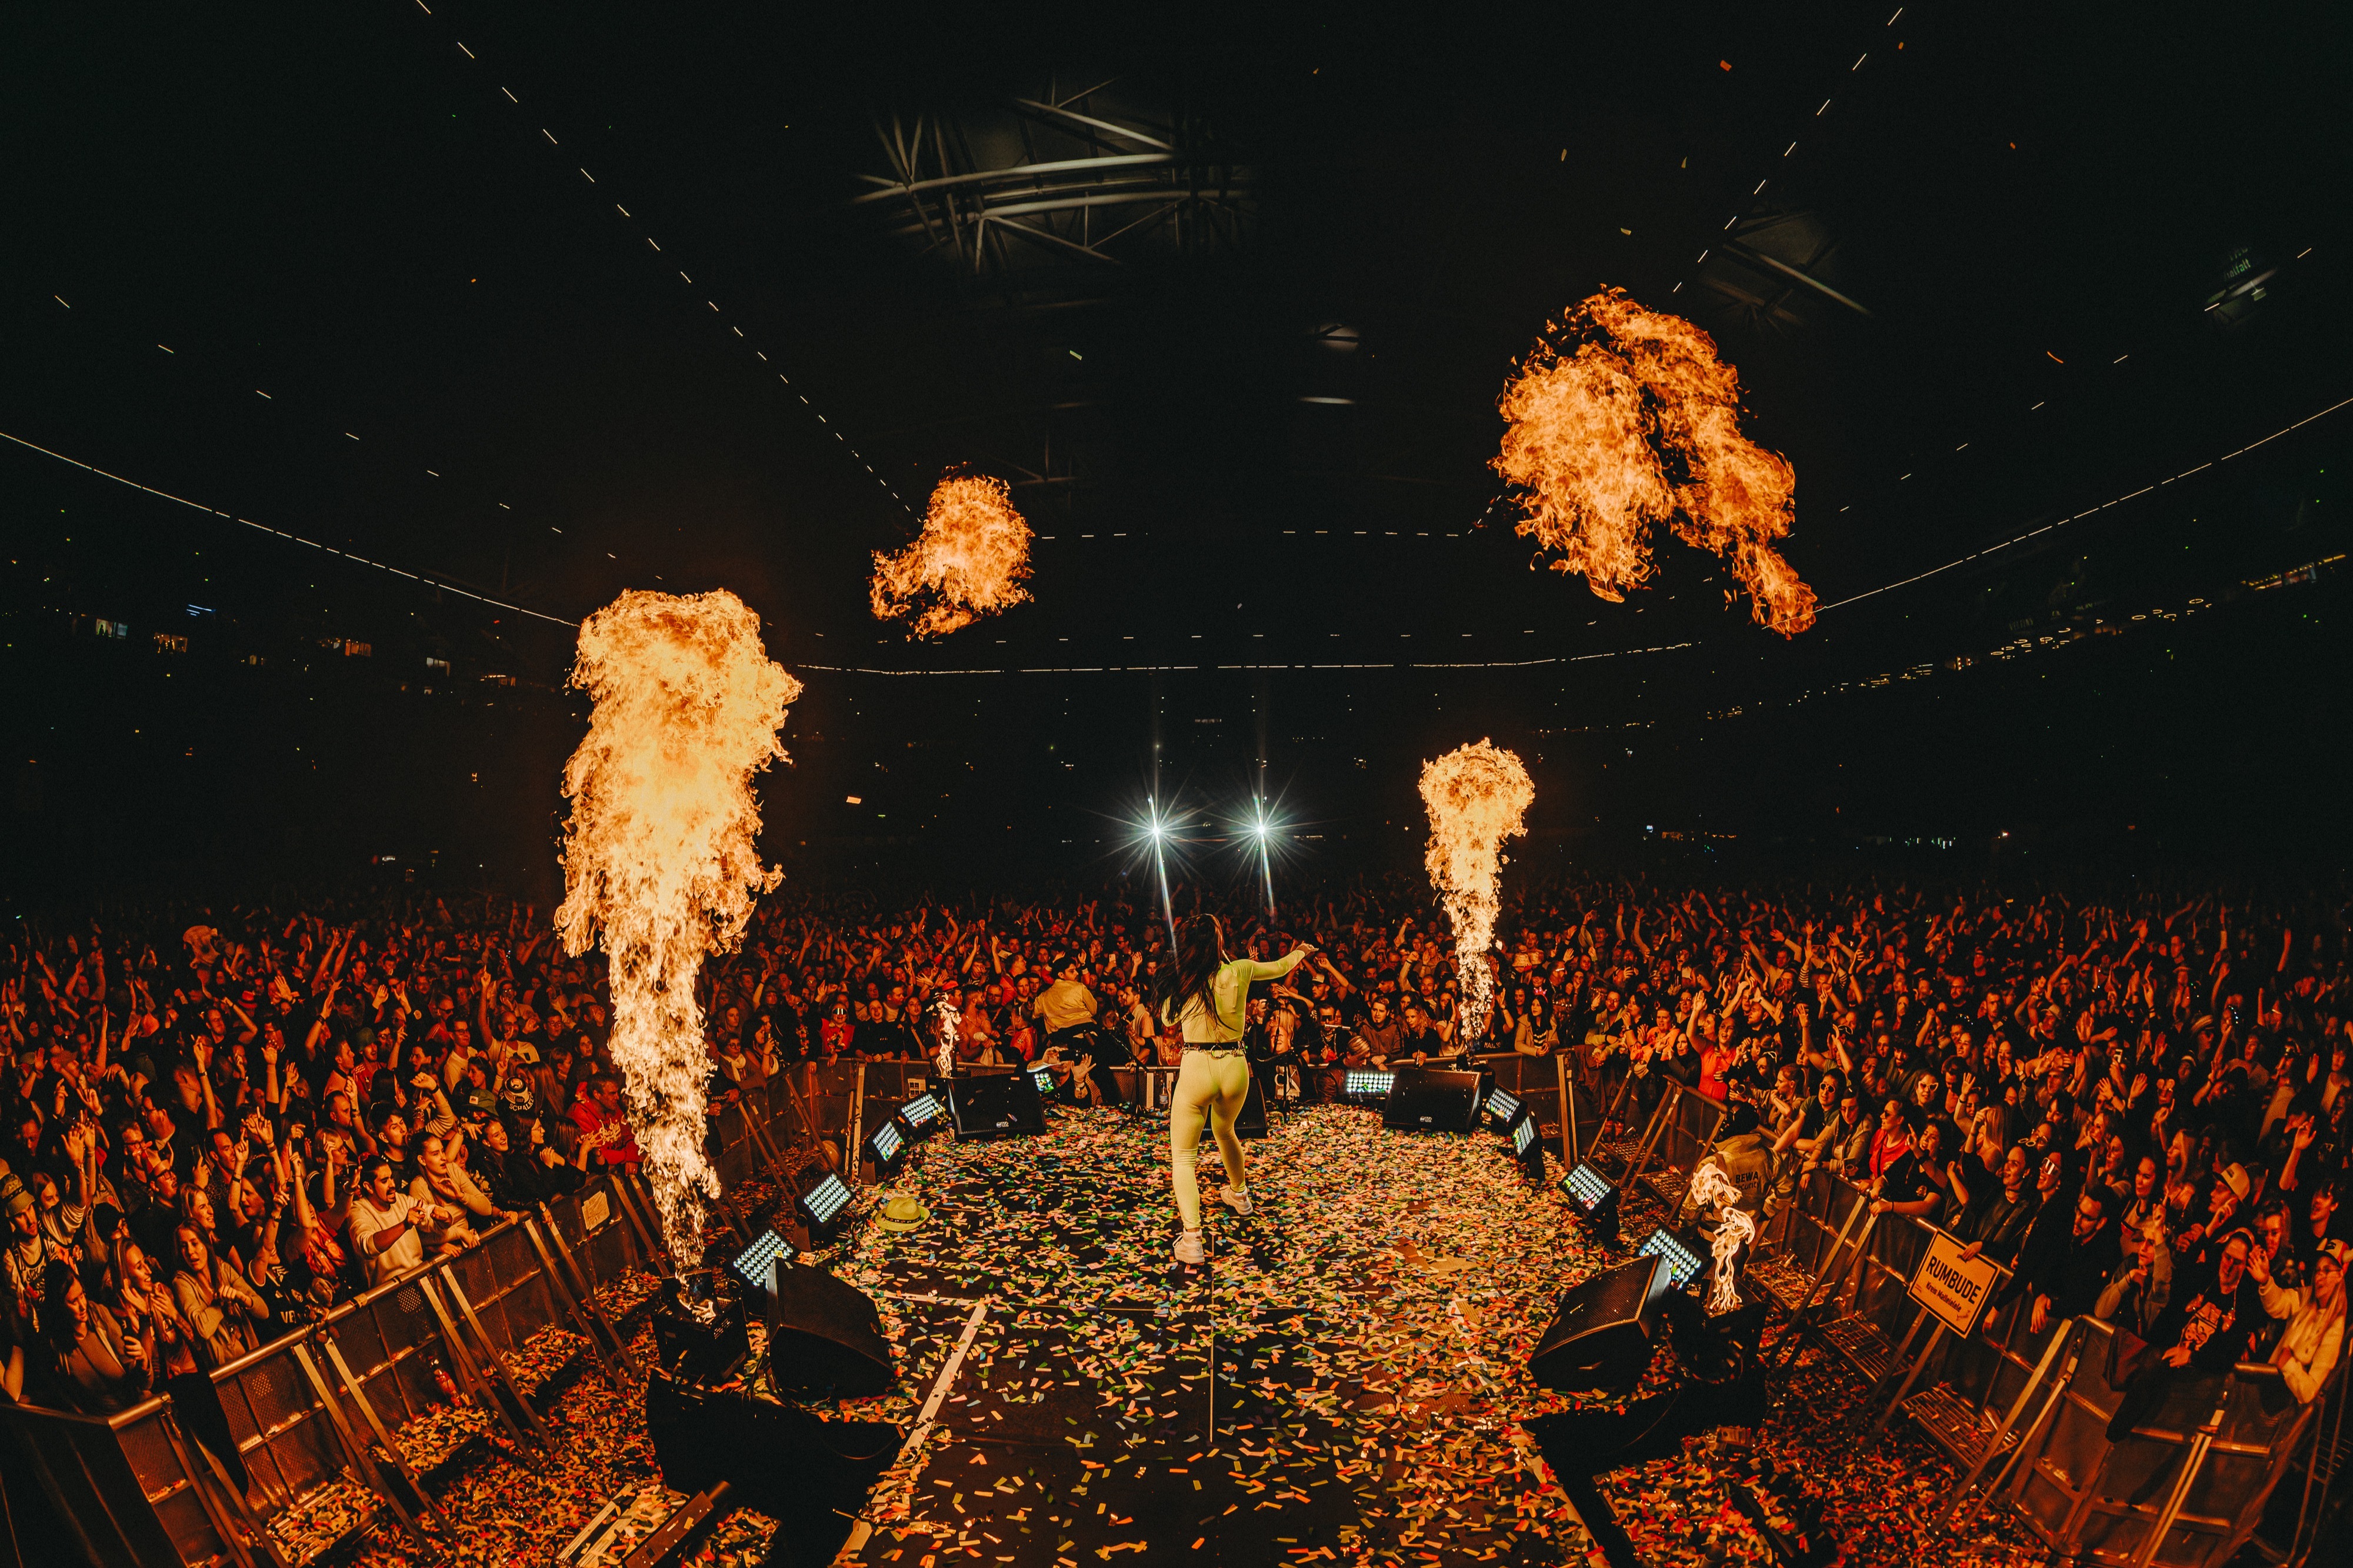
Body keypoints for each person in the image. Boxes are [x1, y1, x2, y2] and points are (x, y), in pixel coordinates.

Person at [1153, 915, 1314, 1265]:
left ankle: (1193, 1239)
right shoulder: (1239, 970)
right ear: (1219, 943)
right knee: (1225, 1131)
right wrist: (1301, 951)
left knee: (1183, 1156)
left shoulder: (1184, 978)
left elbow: (1167, 1020)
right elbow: (1280, 966)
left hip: (1197, 1065)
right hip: (1235, 1066)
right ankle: (1240, 1196)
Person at [2249, 1236, 2346, 1404]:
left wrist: (2289, 1364)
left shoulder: (2335, 1328)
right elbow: (2279, 1303)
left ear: (2339, 1275)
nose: (2319, 1276)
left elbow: (2310, 1392)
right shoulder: (2306, 1296)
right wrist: (2265, 1281)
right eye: (2318, 1270)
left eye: (2327, 1270)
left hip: (2290, 1411)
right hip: (2267, 1395)